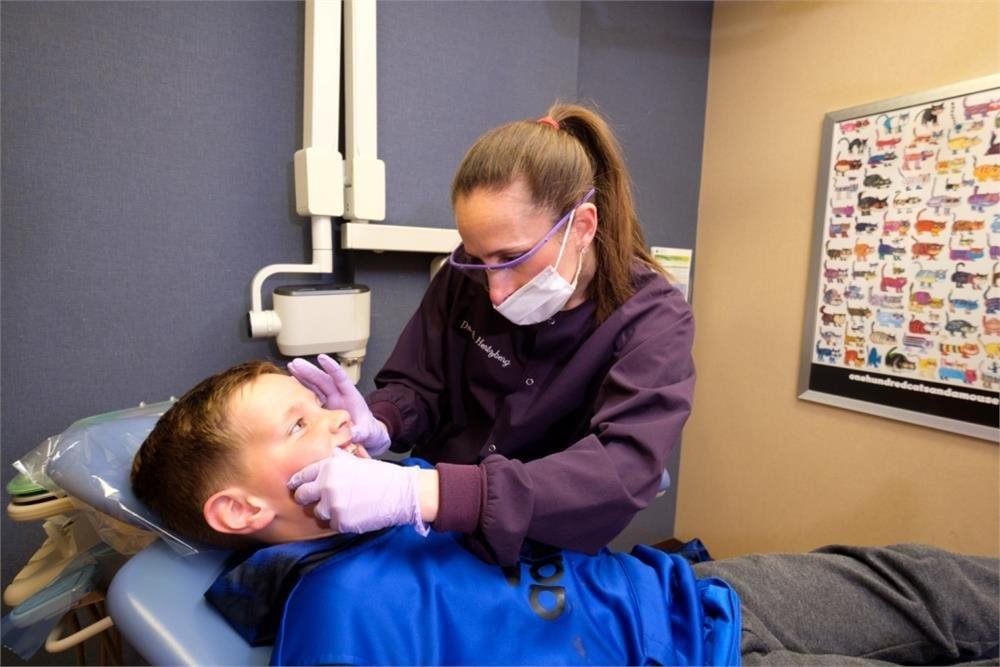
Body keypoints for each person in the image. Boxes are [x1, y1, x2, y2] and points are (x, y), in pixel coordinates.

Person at [131, 360, 1000, 666]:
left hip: (689, 595)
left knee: (932, 583)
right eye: (298, 423)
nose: (334, 420)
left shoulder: (395, 488)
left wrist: (401, 466)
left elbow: (536, 497)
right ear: (240, 508)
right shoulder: (335, 619)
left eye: (321, 405)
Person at [287, 103, 696, 565]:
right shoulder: (466, 274)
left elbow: (622, 468)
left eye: (512, 258)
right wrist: (382, 422)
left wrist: (427, 492)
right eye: (480, 260)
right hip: (432, 519)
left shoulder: (654, 320)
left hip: (540, 545)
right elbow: (418, 383)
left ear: (582, 227)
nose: (495, 292)